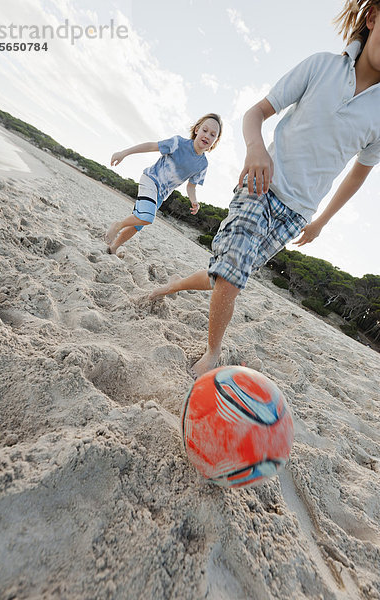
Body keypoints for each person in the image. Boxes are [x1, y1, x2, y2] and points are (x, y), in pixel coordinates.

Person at [149, 0, 380, 378]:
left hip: (297, 213)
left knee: (221, 277)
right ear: (372, 17)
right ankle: (212, 354)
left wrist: (321, 221)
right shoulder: (322, 65)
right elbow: (255, 113)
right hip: (260, 183)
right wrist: (256, 149)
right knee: (231, 272)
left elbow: (358, 174)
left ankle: (168, 288)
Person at [105, 113, 222, 256]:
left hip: (161, 194)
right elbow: (152, 146)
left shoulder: (203, 164)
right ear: (197, 129)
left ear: (215, 141)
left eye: (212, 135)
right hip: (150, 180)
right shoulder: (178, 143)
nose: (207, 136)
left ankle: (113, 247)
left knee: (137, 224)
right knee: (147, 217)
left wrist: (194, 201)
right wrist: (124, 153)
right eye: (205, 130)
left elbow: (191, 186)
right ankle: (118, 225)